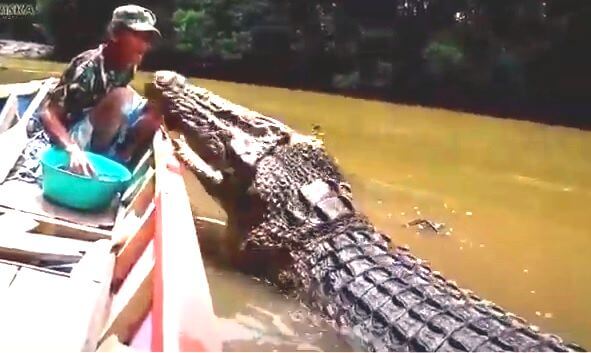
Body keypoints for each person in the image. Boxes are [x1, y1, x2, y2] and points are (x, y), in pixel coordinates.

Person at [39, 4, 163, 176]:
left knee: (156, 111)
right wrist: (72, 149)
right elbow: (48, 113)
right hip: (73, 137)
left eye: (147, 39)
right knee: (121, 95)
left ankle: (119, 161)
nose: (144, 45)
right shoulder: (87, 69)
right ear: (115, 34)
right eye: (136, 35)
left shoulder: (129, 64)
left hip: (102, 124)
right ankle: (98, 160)